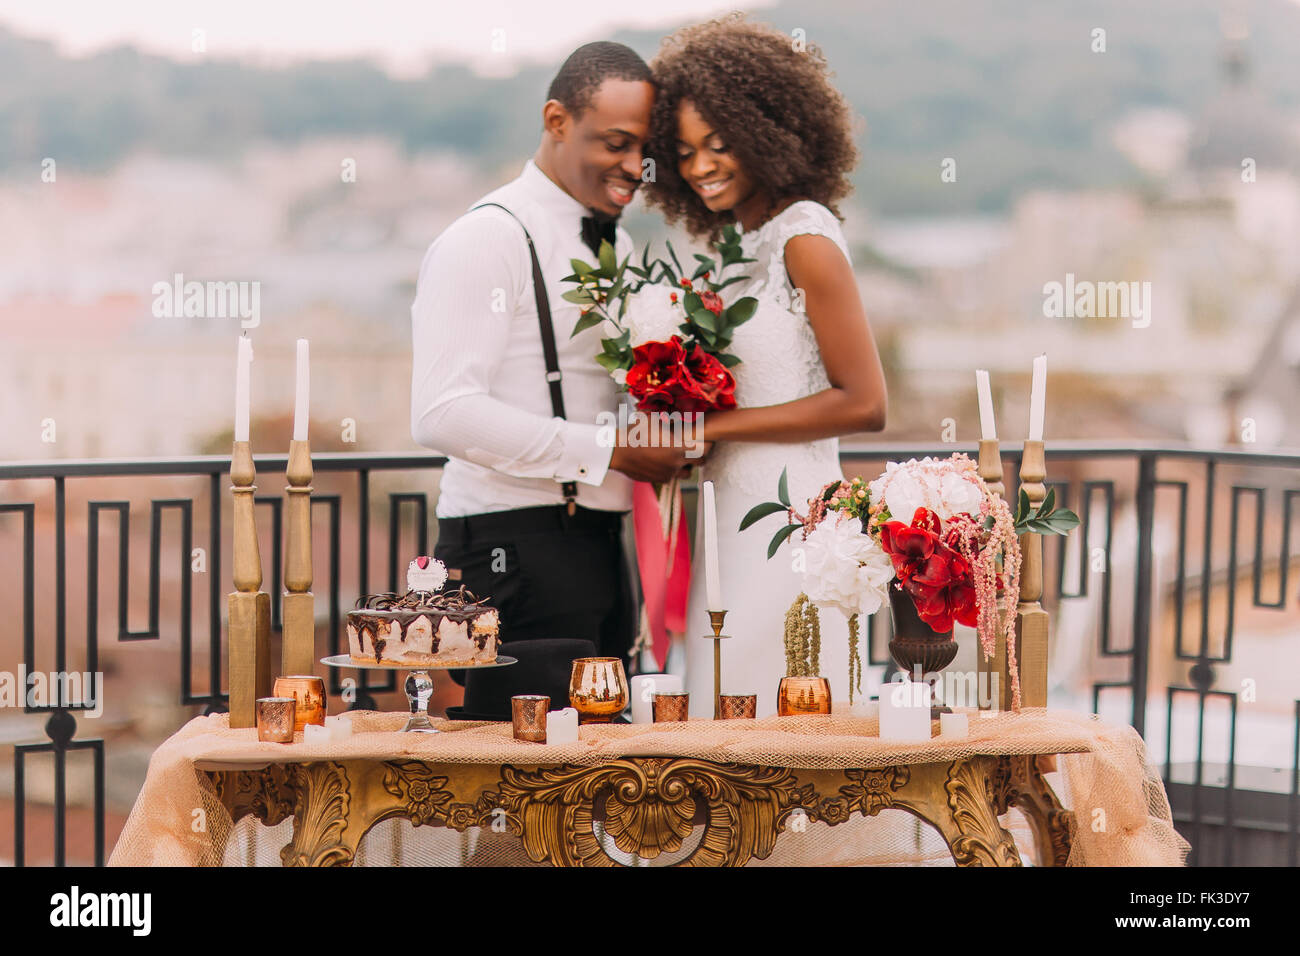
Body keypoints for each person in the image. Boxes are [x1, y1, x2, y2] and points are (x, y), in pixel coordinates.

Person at [411, 41, 702, 696]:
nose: (635, 166)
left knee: (603, 774)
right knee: (525, 782)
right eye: (615, 143)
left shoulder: (619, 242)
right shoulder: (484, 238)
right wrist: (613, 452)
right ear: (556, 122)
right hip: (510, 548)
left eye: (644, 149)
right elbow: (441, 412)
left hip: (602, 542)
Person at [642, 16, 888, 717]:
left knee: (785, 725)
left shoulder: (805, 240)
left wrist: (716, 426)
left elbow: (865, 402)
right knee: (722, 714)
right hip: (724, 520)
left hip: (793, 527)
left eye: (719, 144)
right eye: (684, 151)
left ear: (768, 129)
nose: (700, 167)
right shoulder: (734, 246)